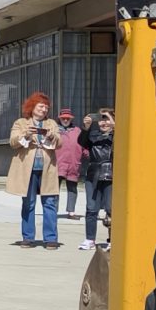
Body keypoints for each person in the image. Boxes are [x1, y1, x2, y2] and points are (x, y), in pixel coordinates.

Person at [8, 93, 61, 247]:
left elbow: (59, 142)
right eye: (41, 106)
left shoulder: (51, 123)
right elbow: (12, 142)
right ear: (32, 107)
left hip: (47, 168)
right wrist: (26, 134)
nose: (44, 110)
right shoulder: (21, 122)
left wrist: (52, 137)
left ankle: (51, 238)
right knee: (28, 203)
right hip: (27, 169)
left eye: (46, 107)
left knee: (50, 203)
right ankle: (28, 237)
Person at [80, 105, 116, 250]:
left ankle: (113, 239)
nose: (103, 123)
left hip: (111, 173)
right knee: (91, 208)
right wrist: (86, 127)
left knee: (111, 208)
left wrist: (116, 127)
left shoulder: (117, 135)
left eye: (107, 119)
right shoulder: (93, 135)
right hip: (93, 173)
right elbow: (82, 142)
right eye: (101, 119)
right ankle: (90, 239)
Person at [55, 108, 84, 217]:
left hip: (73, 164)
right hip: (58, 164)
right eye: (63, 118)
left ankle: (71, 211)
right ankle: (53, 210)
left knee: (72, 188)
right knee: (54, 189)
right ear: (60, 118)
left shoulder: (77, 131)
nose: (66, 120)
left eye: (68, 118)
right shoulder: (55, 130)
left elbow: (83, 145)